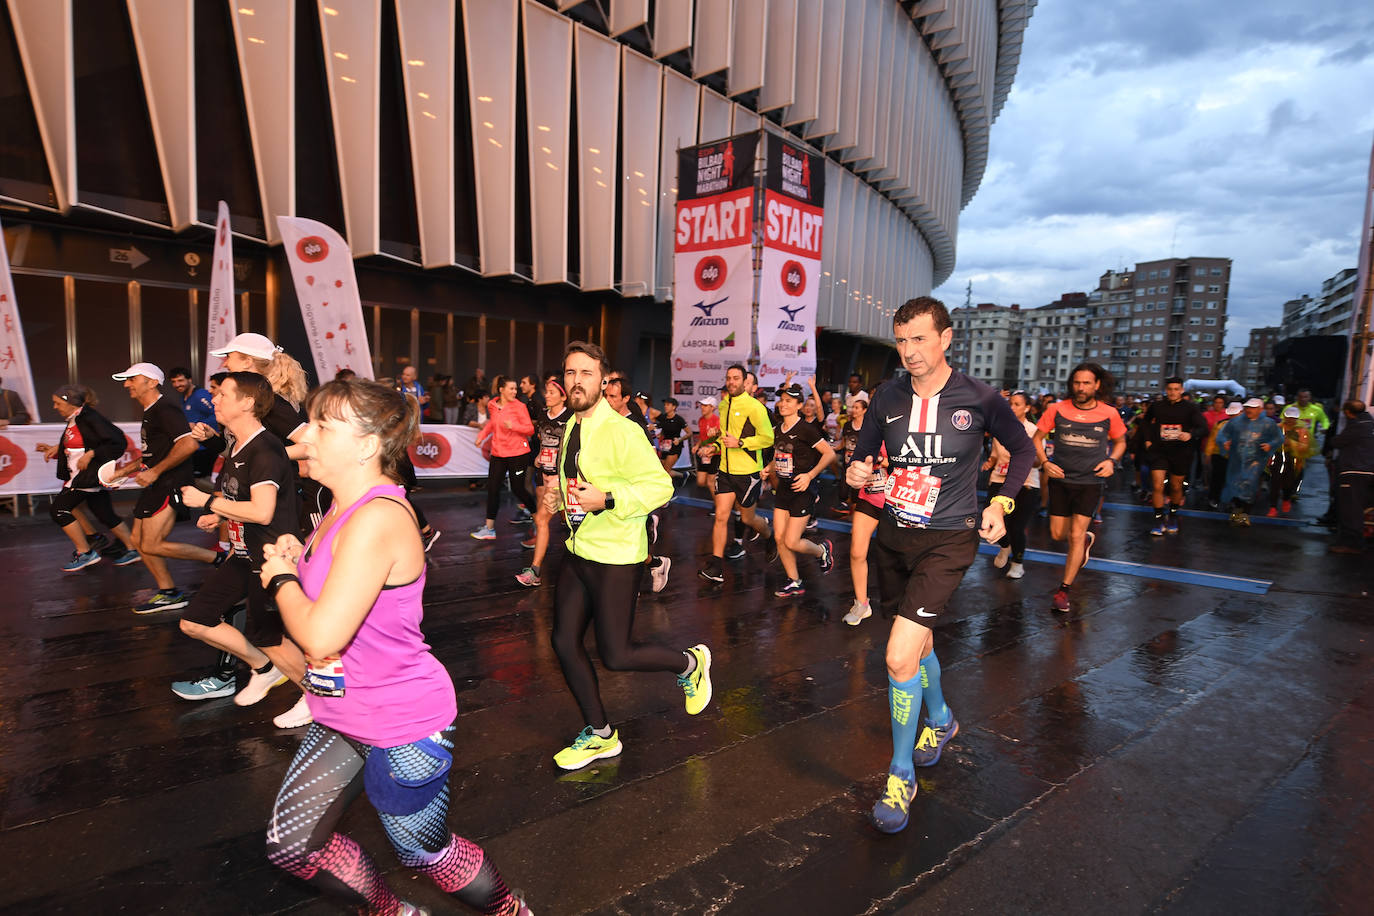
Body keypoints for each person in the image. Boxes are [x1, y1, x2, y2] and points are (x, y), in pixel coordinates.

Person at [256, 377, 531, 916]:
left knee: (425, 853)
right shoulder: (337, 507)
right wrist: (298, 556)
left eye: (320, 424)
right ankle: (392, 912)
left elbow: (319, 636)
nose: (304, 433)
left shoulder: (378, 516)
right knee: (291, 845)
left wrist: (281, 578)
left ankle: (509, 911)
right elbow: (335, 588)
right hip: (341, 712)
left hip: (404, 725)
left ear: (363, 445)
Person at [848, 297, 1033, 834]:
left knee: (899, 658)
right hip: (895, 539)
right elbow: (862, 457)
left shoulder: (979, 398)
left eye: (920, 339)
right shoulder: (886, 396)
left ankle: (900, 774)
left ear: (946, 338)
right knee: (920, 642)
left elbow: (1021, 453)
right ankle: (943, 721)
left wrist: (1002, 503)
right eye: (901, 341)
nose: (909, 352)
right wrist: (859, 474)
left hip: (949, 541)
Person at [545, 341, 712, 769]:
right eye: (570, 373)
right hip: (579, 549)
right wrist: (556, 496)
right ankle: (600, 734)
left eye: (586, 373)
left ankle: (689, 663)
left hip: (616, 556)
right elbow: (578, 481)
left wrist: (610, 498)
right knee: (563, 641)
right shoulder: (570, 427)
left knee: (616, 655)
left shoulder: (623, 430)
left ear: (604, 381)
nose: (576, 381)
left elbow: (661, 486)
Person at [173, 372, 306, 718]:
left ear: (247, 402)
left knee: (270, 635)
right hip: (243, 554)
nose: (213, 400)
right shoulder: (237, 445)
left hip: (272, 557)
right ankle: (265, 669)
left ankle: (316, 697)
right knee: (195, 621)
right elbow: (238, 496)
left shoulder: (265, 449)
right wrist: (218, 514)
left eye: (222, 395)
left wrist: (207, 503)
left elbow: (262, 512)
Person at [109, 363, 222, 613]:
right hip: (158, 483)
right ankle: (169, 592)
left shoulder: (165, 407)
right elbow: (154, 455)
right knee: (139, 540)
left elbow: (189, 445)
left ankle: (220, 559)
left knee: (150, 544)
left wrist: (156, 472)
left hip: (169, 483)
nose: (127, 384)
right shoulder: (152, 411)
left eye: (132, 379)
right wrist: (123, 472)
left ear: (151, 382)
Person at [1034, 363, 1127, 613]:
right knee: (1057, 535)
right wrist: (1044, 463)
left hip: (1090, 481)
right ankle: (1084, 540)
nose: (1081, 387)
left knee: (1074, 536)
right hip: (1061, 480)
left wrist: (1112, 461)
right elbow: (1036, 438)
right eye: (1077, 382)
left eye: (1086, 383)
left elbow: (1120, 441)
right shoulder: (1057, 408)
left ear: (1097, 385)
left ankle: (1063, 590)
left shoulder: (1110, 413)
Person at [36, 385, 140, 571]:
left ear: (70, 402)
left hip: (86, 477)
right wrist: (56, 449)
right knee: (105, 514)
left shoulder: (89, 417)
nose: (55, 407)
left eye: (58, 403)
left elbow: (118, 442)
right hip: (83, 476)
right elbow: (78, 444)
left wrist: (92, 454)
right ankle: (132, 549)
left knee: (59, 510)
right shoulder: (76, 418)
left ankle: (85, 552)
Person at [699, 365, 774, 583]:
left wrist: (741, 442)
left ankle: (770, 536)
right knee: (721, 516)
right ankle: (716, 565)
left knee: (748, 518)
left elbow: (768, 438)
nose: (732, 382)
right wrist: (714, 445)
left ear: (744, 382)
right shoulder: (723, 405)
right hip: (724, 470)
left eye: (736, 378)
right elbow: (725, 437)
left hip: (747, 473)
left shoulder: (754, 407)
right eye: (729, 378)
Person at [769, 382, 836, 597]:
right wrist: (768, 468)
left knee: (792, 541)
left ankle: (821, 550)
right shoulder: (778, 429)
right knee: (779, 538)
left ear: (798, 405)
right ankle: (794, 581)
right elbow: (778, 455)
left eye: (789, 401)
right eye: (782, 400)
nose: (783, 404)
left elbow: (829, 454)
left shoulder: (806, 429)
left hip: (803, 490)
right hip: (784, 490)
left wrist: (809, 475)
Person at [517, 377, 573, 587]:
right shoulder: (543, 415)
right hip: (545, 476)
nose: (547, 395)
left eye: (551, 391)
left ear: (563, 396)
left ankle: (535, 570)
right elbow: (543, 441)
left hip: (563, 480)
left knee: (542, 521)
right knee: (561, 521)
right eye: (546, 391)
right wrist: (540, 457)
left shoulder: (571, 417)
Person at [472, 376, 536, 539]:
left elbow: (529, 429)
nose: (515, 391)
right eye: (511, 388)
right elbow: (492, 424)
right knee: (492, 489)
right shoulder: (493, 405)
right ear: (501, 390)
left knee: (518, 489)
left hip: (518, 455)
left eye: (516, 388)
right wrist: (481, 436)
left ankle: (537, 517)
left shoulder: (520, 407)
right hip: (498, 454)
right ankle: (489, 528)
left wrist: (513, 426)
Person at [1141, 377, 1207, 536]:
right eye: (1170, 389)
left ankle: (1172, 516)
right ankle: (1158, 520)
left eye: (1176, 389)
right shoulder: (1156, 406)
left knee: (1176, 487)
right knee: (1157, 486)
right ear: (1166, 390)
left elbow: (1203, 428)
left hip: (1180, 452)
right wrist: (1148, 439)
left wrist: (1190, 434)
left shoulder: (1191, 408)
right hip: (1159, 451)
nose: (1173, 392)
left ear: (1182, 390)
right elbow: (1145, 422)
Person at [987, 391, 1041, 580]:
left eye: (1017, 404)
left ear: (1027, 408)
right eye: (1010, 403)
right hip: (998, 479)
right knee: (991, 522)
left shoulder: (1033, 430)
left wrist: (1024, 459)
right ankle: (1004, 546)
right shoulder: (1000, 428)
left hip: (1026, 483)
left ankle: (1017, 563)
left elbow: (1038, 461)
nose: (1012, 407)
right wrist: (990, 461)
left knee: (1017, 527)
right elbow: (995, 454)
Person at [1216, 397, 1283, 525]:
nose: (1249, 410)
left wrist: (1270, 445)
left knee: (1249, 485)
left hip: (1256, 460)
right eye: (1247, 407)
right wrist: (1224, 442)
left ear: (1260, 409)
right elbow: (1222, 434)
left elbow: (1278, 438)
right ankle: (1236, 512)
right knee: (1234, 485)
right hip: (1236, 459)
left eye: (1253, 408)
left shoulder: (1268, 423)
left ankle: (1245, 515)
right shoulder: (1235, 422)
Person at [1327, 400, 1373, 554]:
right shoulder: (1370, 423)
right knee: (1360, 507)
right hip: (1369, 471)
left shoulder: (1356, 426)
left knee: (1351, 510)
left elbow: (1337, 442)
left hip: (1353, 471)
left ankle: (1353, 544)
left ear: (1348, 412)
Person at [1269, 406, 1310, 516]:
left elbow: (1305, 446)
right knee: (1275, 482)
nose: (1290, 420)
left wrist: (1291, 443)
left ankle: (1286, 499)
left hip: (1293, 459)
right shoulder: (1278, 427)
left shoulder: (1301, 430)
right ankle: (1273, 507)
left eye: (1293, 418)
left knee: (1289, 482)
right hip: (1278, 457)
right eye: (1289, 417)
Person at [654, 397, 689, 478]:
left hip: (675, 446)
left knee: (665, 472)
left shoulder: (678, 419)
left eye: (668, 405)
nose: (665, 406)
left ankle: (667, 489)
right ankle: (683, 475)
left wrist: (680, 439)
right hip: (665, 446)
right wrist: (661, 435)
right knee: (662, 470)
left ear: (674, 407)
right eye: (665, 405)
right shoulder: (663, 418)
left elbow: (689, 433)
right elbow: (664, 427)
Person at [693, 395, 721, 493]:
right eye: (702, 405)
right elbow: (702, 437)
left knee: (710, 482)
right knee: (700, 482)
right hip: (704, 454)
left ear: (712, 408)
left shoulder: (717, 420)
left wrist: (708, 448)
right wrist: (697, 445)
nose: (702, 407)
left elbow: (719, 438)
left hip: (715, 454)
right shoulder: (701, 420)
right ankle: (718, 493)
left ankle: (720, 505)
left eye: (705, 406)